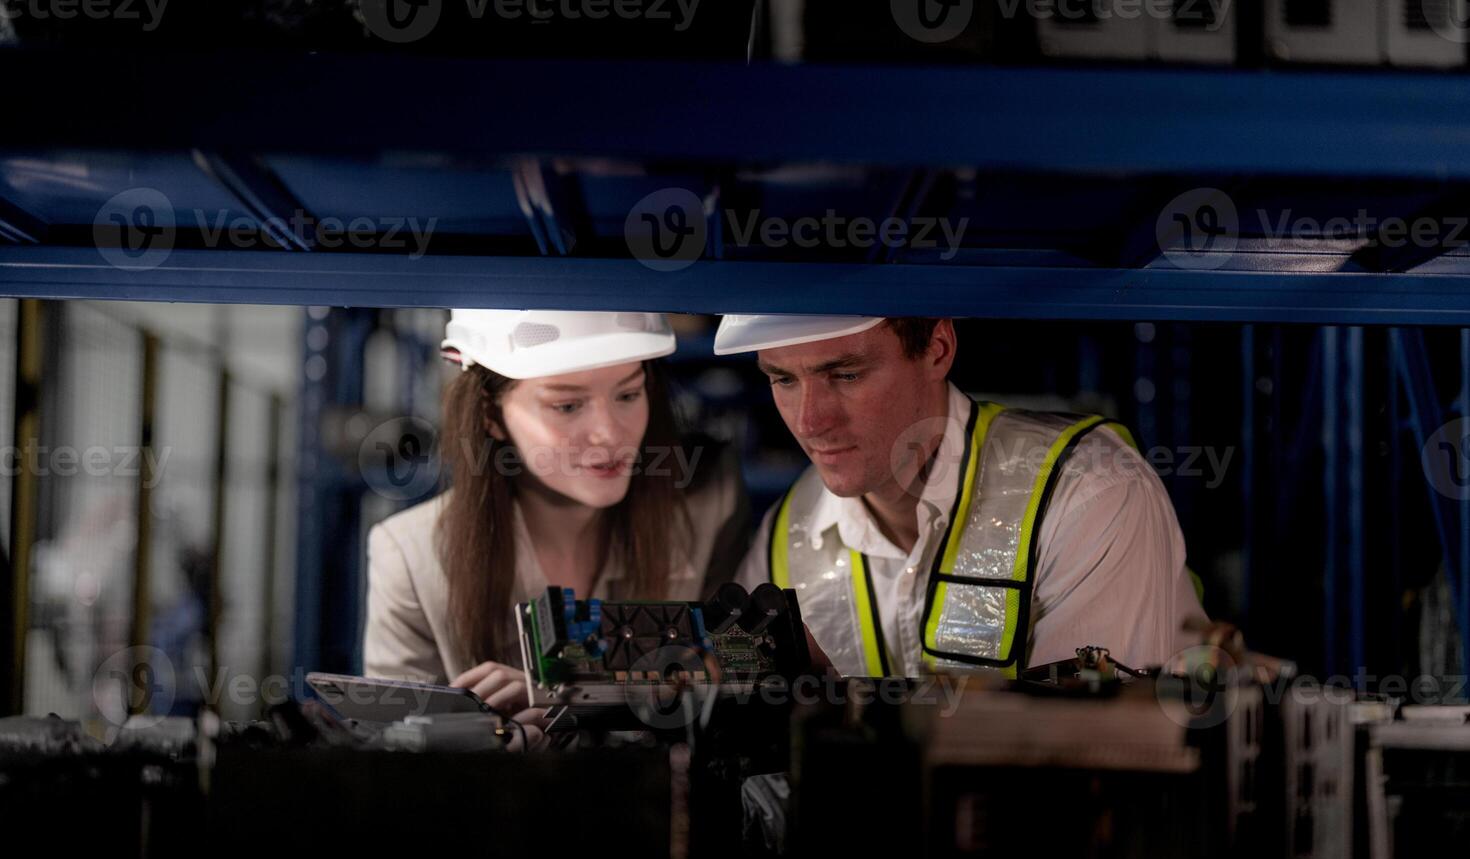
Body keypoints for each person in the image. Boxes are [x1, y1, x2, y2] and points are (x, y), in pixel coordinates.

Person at [721, 314, 1206, 678]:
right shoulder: (789, 530)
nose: (809, 422)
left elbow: (1083, 764)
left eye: (846, 375)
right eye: (783, 379)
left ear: (937, 347)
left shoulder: (1089, 492)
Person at [364, 309, 750, 728]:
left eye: (628, 395)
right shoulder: (410, 555)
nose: (608, 432)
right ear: (490, 416)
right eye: (567, 405)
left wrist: (581, 694)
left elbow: (744, 680)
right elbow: (395, 753)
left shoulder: (708, 505)